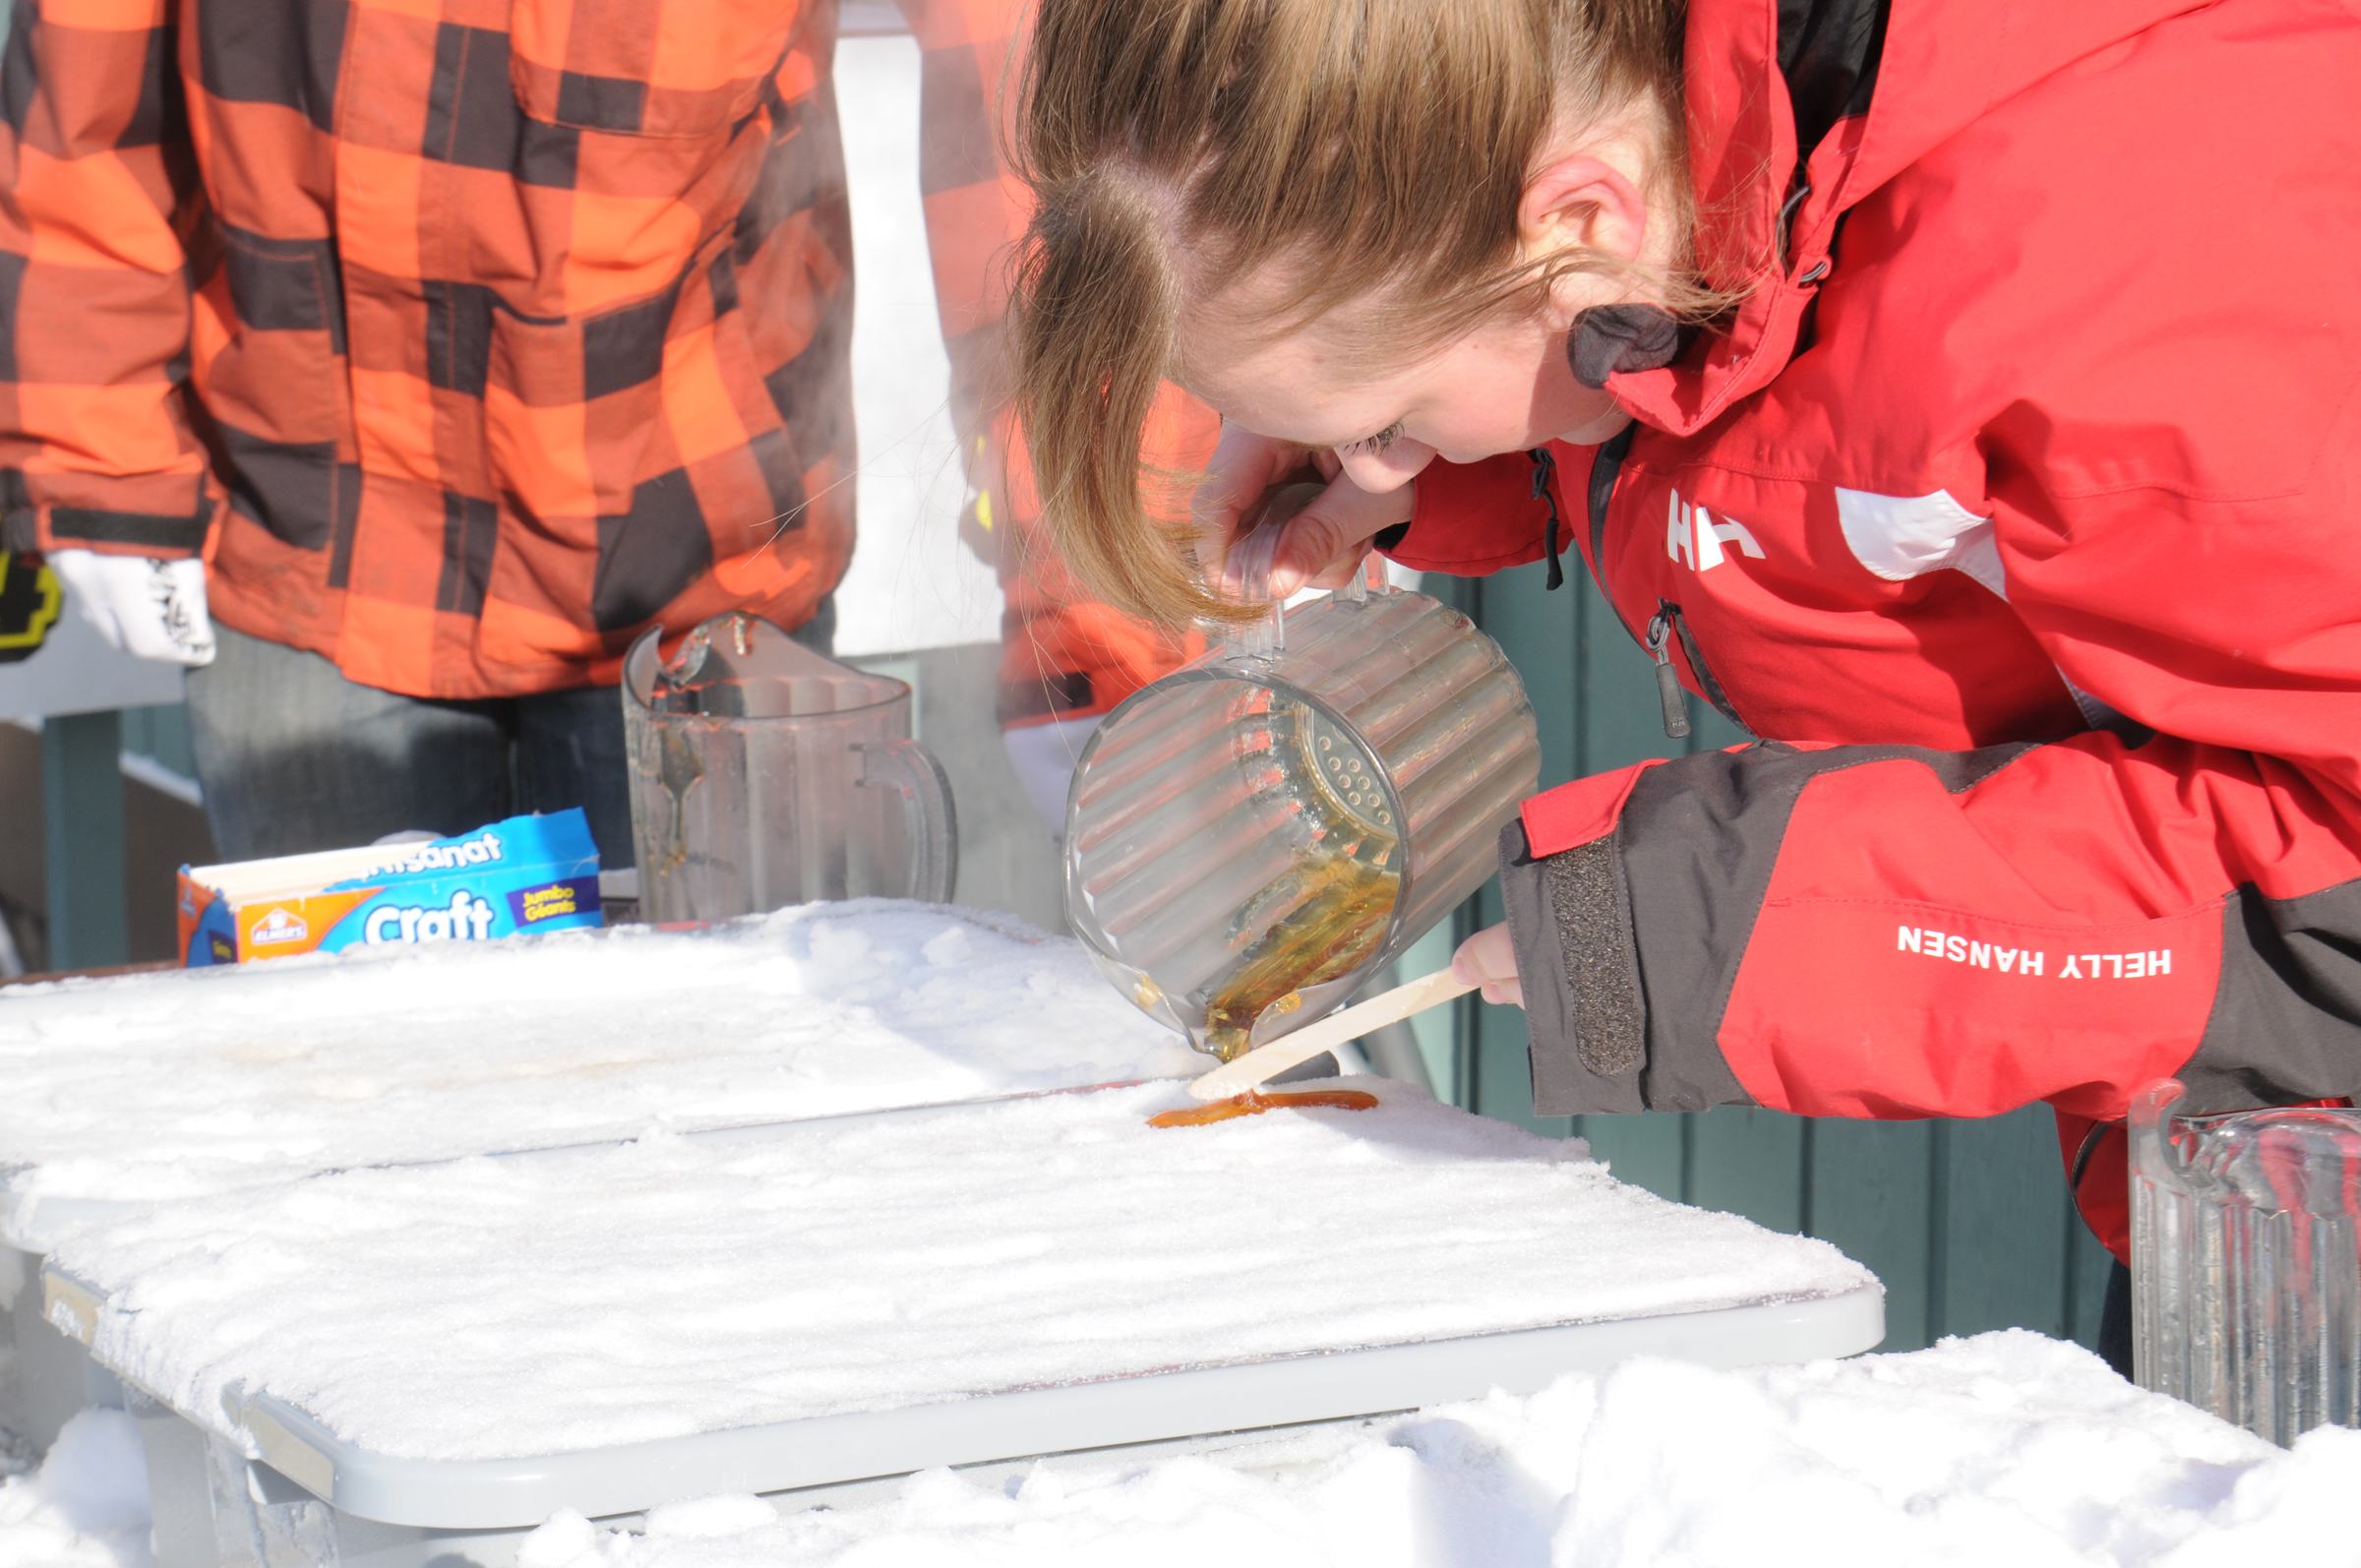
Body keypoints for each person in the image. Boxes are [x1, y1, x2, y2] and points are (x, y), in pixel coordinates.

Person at [1004, 0, 2361, 1370]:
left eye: (1381, 420)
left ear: (1579, 227)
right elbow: (1777, 387)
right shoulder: (1696, 173)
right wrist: (1454, 458)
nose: (1360, 459)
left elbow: (2337, 910)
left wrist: (1718, 920)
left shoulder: (2151, 287)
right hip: (2242, 1172)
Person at [0, 1, 1189, 866]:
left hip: (688, 559)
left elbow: (1035, 123)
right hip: (308, 534)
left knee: (703, 1113)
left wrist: (1090, 606)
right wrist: (90, 437)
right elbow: (82, 70)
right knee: (352, 1116)